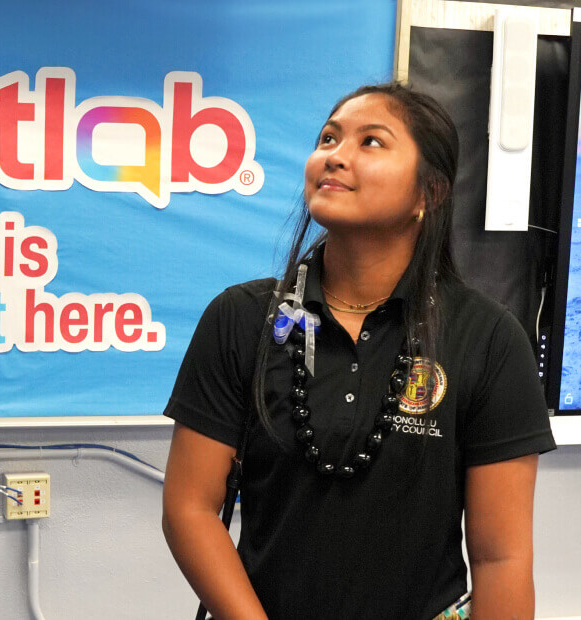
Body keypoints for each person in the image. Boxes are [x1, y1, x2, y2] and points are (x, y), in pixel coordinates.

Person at [161, 83, 557, 620]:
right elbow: (189, 509)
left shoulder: (488, 338)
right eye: (328, 138)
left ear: (429, 194)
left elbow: (501, 558)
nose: (335, 156)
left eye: (371, 142)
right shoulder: (240, 317)